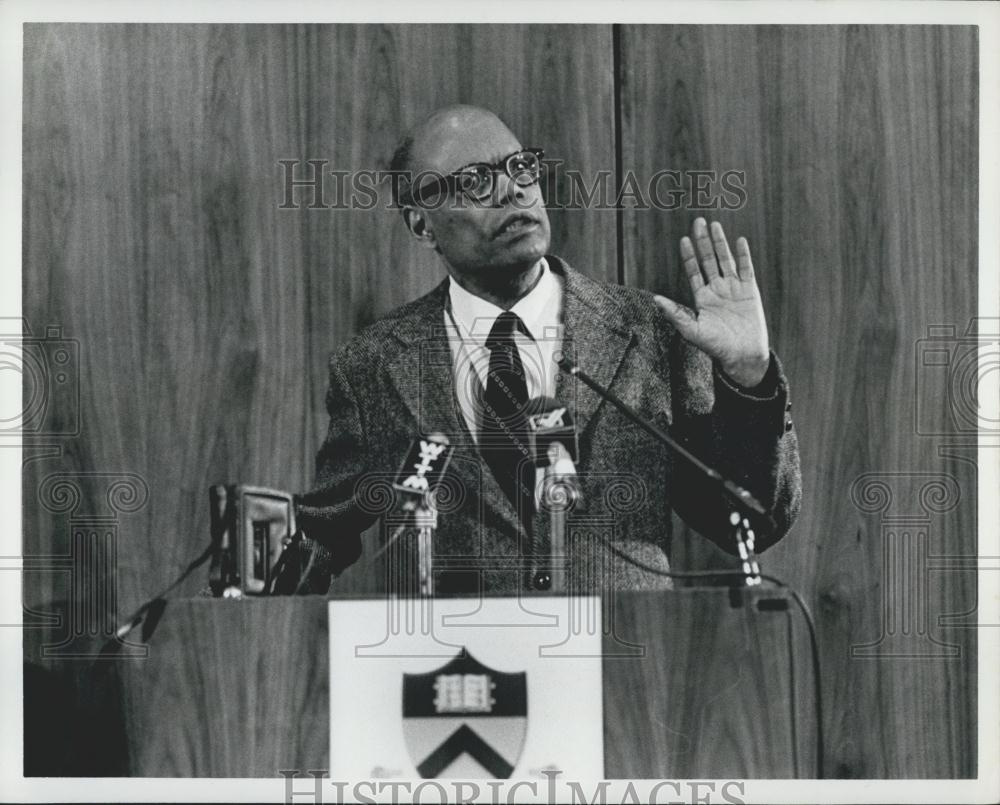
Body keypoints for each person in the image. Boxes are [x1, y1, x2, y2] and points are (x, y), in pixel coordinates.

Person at [295, 105, 801, 595]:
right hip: (465, 668)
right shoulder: (375, 367)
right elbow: (319, 537)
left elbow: (756, 521)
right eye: (475, 181)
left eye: (520, 167)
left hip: (622, 664)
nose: (512, 189)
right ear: (422, 224)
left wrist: (749, 377)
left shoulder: (651, 332)